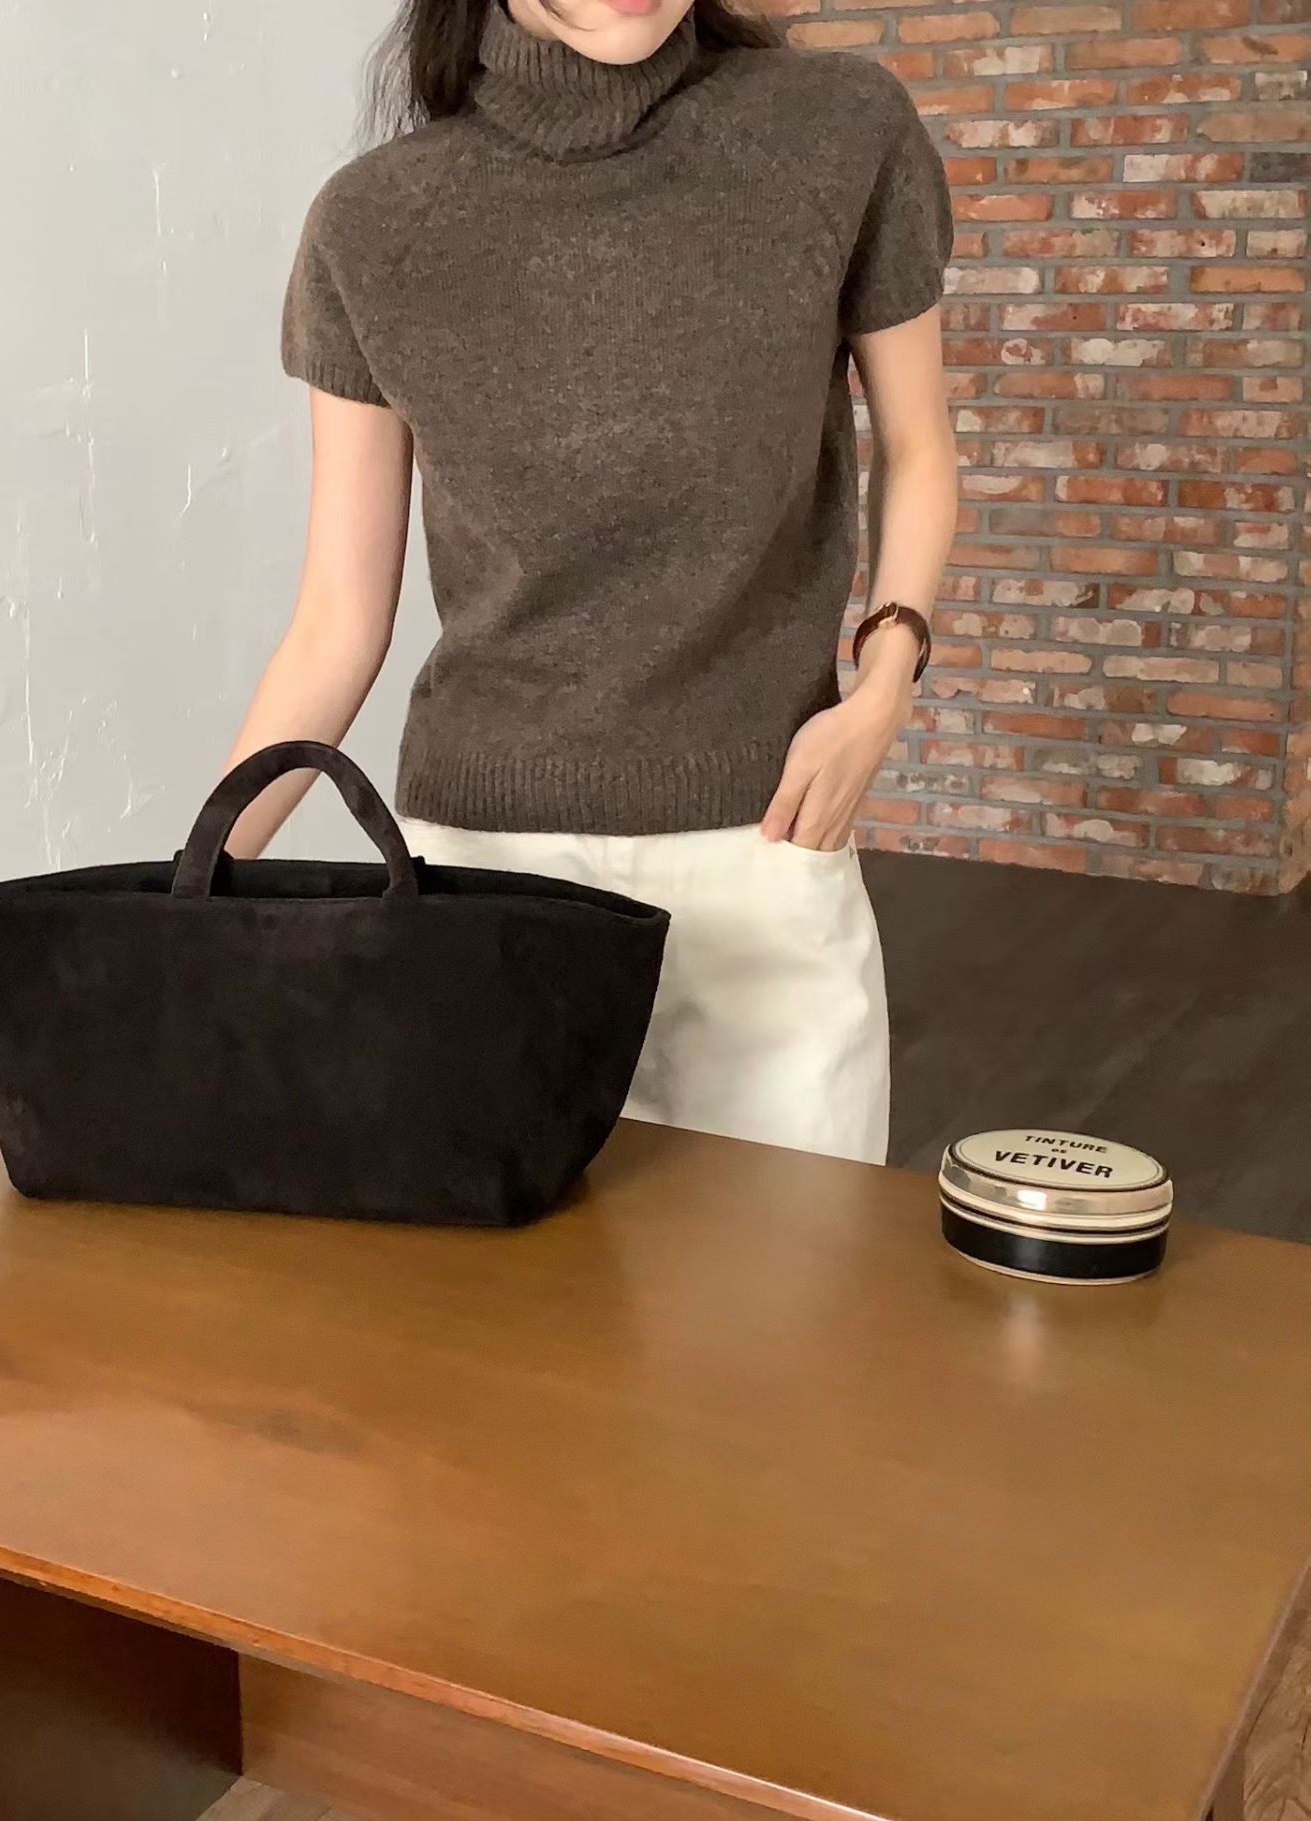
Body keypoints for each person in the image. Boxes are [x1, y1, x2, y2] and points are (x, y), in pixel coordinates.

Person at [226, 0, 956, 1171]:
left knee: (794, 1281)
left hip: (764, 851)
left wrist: (886, 683)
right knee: (505, 1290)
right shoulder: (372, 224)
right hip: (480, 888)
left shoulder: (837, 133)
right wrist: (186, 891)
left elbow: (917, 446)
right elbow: (336, 622)